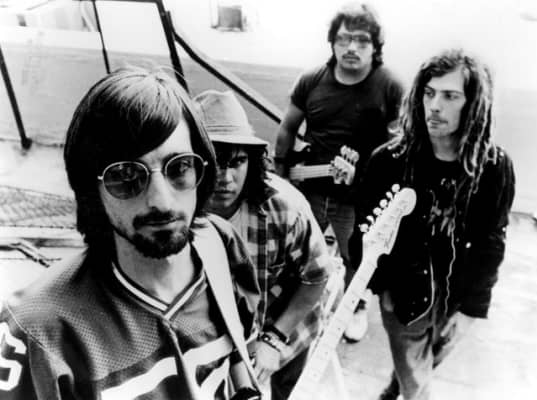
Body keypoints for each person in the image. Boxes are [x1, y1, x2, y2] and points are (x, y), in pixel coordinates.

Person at [0, 67, 262, 400]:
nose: (161, 201)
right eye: (126, 176)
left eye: (179, 167)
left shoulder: (218, 243)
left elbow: (239, 349)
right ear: (91, 190)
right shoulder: (41, 331)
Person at [349, 49, 516, 400]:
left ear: (473, 105)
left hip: (456, 294)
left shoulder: (493, 166)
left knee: (422, 365)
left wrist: (473, 309)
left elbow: (491, 241)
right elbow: (363, 233)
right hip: (404, 295)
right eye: (429, 93)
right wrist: (382, 288)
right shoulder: (389, 161)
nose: (435, 106)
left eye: (450, 96)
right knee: (418, 386)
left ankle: (391, 392)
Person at [273, 1, 404, 342]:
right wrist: (281, 175)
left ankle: (356, 305)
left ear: (375, 47)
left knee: (356, 256)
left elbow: (401, 145)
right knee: (298, 251)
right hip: (311, 190)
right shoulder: (311, 80)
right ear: (332, 42)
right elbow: (287, 129)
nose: (351, 48)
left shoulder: (390, 86)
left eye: (362, 40)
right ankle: (292, 307)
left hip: (359, 198)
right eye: (344, 39)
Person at [194, 90, 338, 399]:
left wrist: (274, 338)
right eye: (215, 162)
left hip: (285, 320)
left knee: (287, 388)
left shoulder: (284, 207)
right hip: (215, 326)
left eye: (237, 162)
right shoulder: (177, 207)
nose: (226, 178)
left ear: (253, 160)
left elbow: (318, 275)